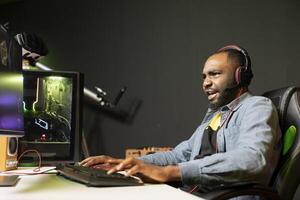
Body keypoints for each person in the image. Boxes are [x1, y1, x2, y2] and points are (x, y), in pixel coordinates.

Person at [80, 45, 281, 198]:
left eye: (215, 74)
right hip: (197, 194)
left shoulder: (256, 106)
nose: (206, 83)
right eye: (203, 77)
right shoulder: (215, 116)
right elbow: (180, 154)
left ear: (239, 75)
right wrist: (127, 164)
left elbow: (253, 159)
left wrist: (171, 173)